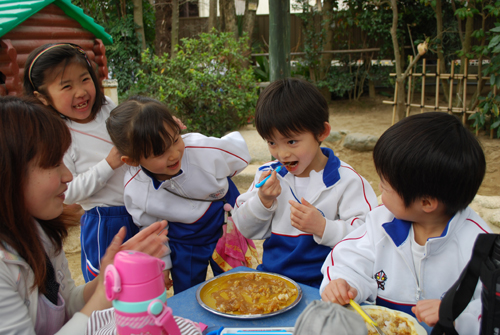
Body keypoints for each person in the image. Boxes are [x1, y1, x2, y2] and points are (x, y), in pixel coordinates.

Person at [0, 96, 169, 335]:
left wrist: (110, 276)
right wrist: (104, 295)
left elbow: (68, 304)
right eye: (53, 164)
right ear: (8, 174)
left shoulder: (41, 234)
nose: (68, 176)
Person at [319, 112, 491, 334]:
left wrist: (456, 315)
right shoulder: (381, 222)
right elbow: (347, 259)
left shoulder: (479, 247)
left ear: (426, 202)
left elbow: (492, 309)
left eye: (386, 185)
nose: (380, 188)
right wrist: (344, 283)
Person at [231, 78, 378, 288]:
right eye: (272, 142)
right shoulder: (266, 175)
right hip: (274, 280)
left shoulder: (347, 181)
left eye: (291, 141)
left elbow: (368, 238)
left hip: (326, 284)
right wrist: (262, 201)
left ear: (321, 133)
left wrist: (323, 227)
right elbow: (244, 228)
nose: (281, 153)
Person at [105, 96, 251, 294]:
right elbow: (152, 228)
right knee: (187, 293)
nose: (173, 154)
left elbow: (240, 156)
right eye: (159, 153)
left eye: (174, 140)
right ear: (131, 160)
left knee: (238, 285)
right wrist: (163, 265)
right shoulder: (136, 189)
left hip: (224, 226)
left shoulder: (202, 149)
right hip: (184, 243)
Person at [23, 43, 140, 283]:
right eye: (66, 86)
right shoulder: (58, 135)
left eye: (85, 79)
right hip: (104, 220)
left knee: (142, 277)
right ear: (42, 97)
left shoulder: (107, 108)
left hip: (138, 209)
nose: (81, 92)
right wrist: (108, 165)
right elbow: (68, 192)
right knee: (108, 284)